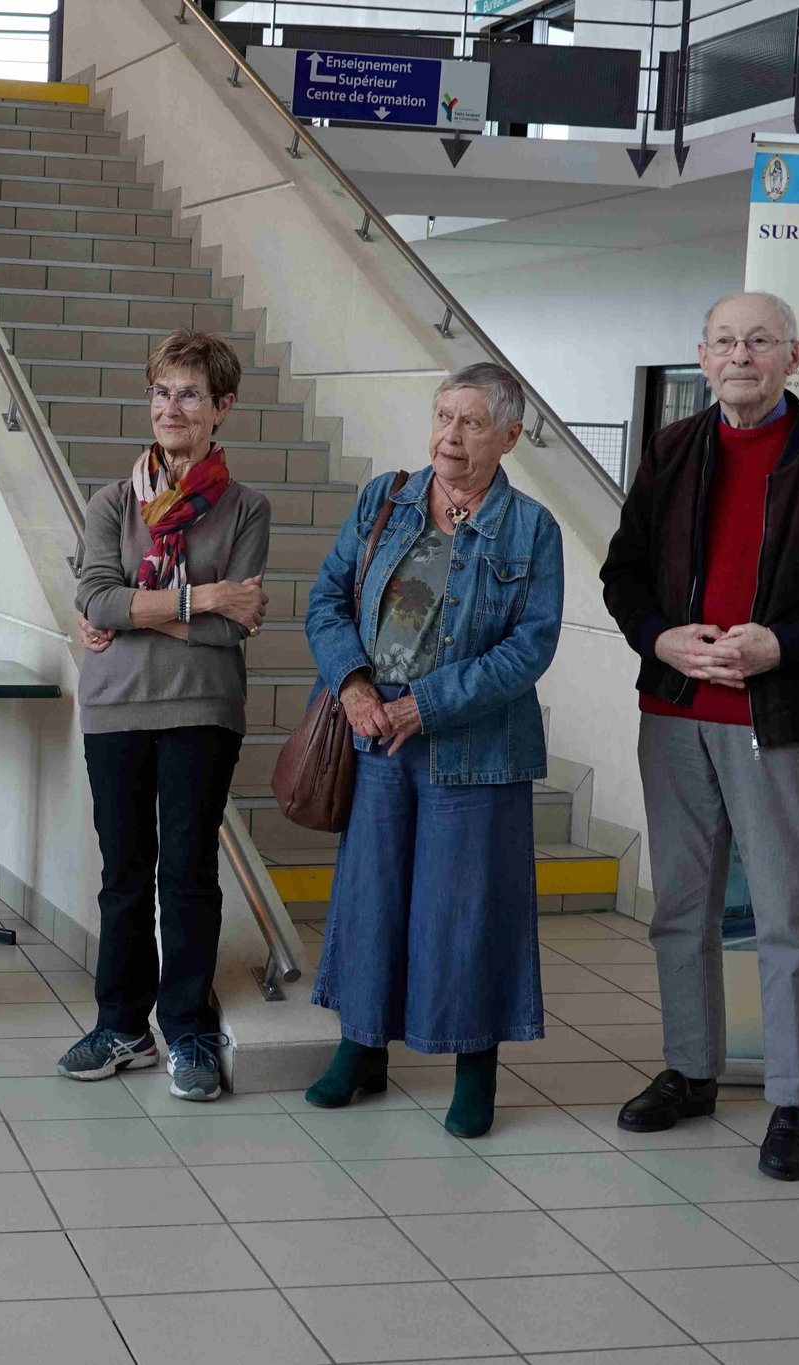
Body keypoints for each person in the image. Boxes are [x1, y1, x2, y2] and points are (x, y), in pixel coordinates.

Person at [601, 290, 799, 1180]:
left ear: (793, 358)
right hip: (675, 716)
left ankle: (796, 1102)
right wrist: (658, 636)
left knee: (789, 918)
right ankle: (693, 1070)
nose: (742, 354)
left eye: (761, 340)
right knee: (681, 913)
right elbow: (625, 574)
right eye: (727, 340)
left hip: (777, 724)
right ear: (703, 357)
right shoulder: (671, 451)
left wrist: (788, 644)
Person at [301, 362, 562, 1139]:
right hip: (377, 735)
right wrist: (352, 684)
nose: (449, 436)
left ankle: (474, 1066)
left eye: (471, 422)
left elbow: (531, 647)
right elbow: (324, 598)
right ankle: (361, 1048)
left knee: (466, 910)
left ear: (510, 435)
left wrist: (432, 704)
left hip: (475, 748)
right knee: (372, 895)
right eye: (443, 416)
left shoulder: (531, 529)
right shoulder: (386, 497)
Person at [56, 329, 271, 1102]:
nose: (169, 407)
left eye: (187, 394)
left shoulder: (247, 507)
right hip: (115, 707)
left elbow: (229, 627)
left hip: (203, 710)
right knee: (124, 873)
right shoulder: (113, 502)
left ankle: (185, 1027)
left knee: (186, 872)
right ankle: (121, 1024)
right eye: (160, 391)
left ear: (221, 408)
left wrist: (154, 612)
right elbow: (97, 597)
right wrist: (202, 596)